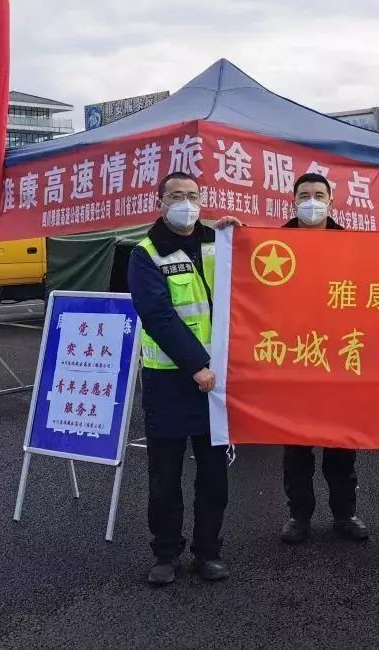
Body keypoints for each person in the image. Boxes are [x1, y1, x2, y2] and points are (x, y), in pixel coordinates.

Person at [127, 171, 239, 586]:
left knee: (214, 474)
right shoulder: (145, 253)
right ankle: (166, 553)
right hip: (170, 380)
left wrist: (237, 234)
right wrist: (197, 365)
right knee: (164, 474)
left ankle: (209, 551)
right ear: (159, 203)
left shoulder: (217, 242)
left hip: (218, 381)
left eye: (192, 195)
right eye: (176, 195)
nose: (185, 203)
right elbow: (157, 316)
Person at [280, 173, 369, 545]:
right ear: (293, 200)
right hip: (292, 361)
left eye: (319, 195)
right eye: (304, 195)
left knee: (340, 446)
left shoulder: (351, 245)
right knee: (296, 447)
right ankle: (299, 516)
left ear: (331, 202)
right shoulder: (272, 244)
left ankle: (345, 514)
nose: (311, 201)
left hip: (340, 358)